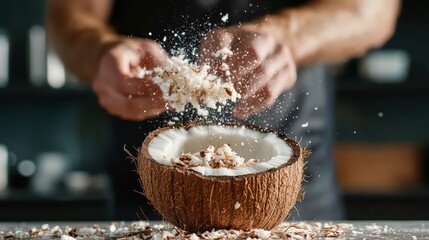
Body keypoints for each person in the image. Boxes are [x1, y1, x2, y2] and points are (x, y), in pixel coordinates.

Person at [46, 0, 400, 220]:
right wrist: (99, 51)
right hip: (146, 203)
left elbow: (372, 10)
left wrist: (287, 36)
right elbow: (68, 14)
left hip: (295, 202)